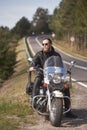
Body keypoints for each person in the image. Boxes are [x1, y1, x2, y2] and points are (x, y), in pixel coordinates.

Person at [29, 38, 77, 118]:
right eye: (43, 44)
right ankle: (34, 100)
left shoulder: (56, 55)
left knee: (65, 86)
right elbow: (33, 62)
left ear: (50, 44)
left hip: (54, 75)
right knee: (37, 80)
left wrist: (65, 71)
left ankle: (68, 111)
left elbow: (60, 65)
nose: (44, 45)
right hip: (42, 73)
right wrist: (32, 66)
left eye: (46, 44)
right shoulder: (39, 54)